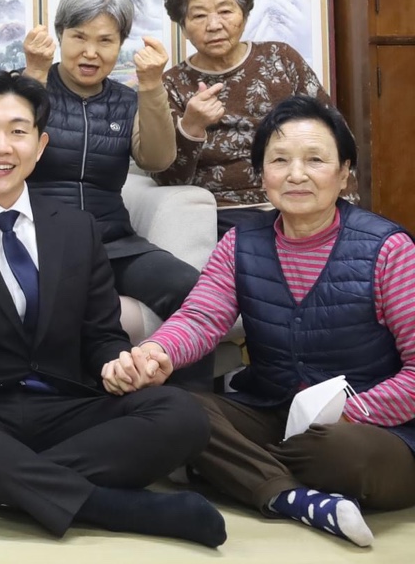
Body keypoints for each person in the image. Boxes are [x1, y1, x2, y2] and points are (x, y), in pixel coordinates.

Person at [0, 71, 225, 548]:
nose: (1, 146)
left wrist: (117, 364)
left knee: (182, 414)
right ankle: (114, 508)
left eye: (18, 131)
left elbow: (102, 335)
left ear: (40, 145)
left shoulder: (76, 227)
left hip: (68, 410)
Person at [126, 96, 415, 548]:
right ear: (262, 175)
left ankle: (236, 469)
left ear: (344, 173)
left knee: (338, 453)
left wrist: (349, 412)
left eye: (315, 160)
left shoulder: (389, 250)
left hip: (373, 428)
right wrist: (155, 351)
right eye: (279, 160)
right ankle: (293, 497)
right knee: (168, 406)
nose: (296, 174)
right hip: (270, 409)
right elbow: (201, 317)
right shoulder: (240, 242)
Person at [22, 0, 203, 338]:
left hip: (113, 244)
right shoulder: (27, 84)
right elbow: (13, 151)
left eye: (105, 40)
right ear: (60, 35)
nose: (90, 52)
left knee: (194, 291)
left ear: (121, 45)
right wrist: (35, 76)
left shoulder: (127, 100)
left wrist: (151, 86)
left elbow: (158, 159)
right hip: (38, 241)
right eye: (79, 37)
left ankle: (177, 378)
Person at [154, 0, 337, 236]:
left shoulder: (281, 58)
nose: (214, 25)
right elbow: (169, 180)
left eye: (225, 11)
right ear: (183, 26)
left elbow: (333, 132)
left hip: (299, 196)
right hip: (224, 212)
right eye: (199, 16)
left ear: (245, 14)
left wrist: (344, 198)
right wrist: (191, 126)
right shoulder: (172, 84)